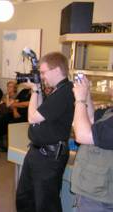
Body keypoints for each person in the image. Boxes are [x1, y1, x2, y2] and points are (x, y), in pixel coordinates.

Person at [16, 52, 75, 212]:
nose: (41, 77)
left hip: (50, 157)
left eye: (43, 72)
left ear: (56, 70)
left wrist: (35, 90)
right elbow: (41, 111)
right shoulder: (57, 90)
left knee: (45, 204)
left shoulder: (65, 93)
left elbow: (33, 117)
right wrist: (38, 91)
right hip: (37, 152)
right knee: (25, 198)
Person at [71, 76, 113, 211]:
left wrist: (80, 100)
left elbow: (82, 135)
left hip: (101, 199)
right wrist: (86, 93)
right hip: (94, 191)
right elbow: (90, 119)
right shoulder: (109, 112)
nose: (111, 89)